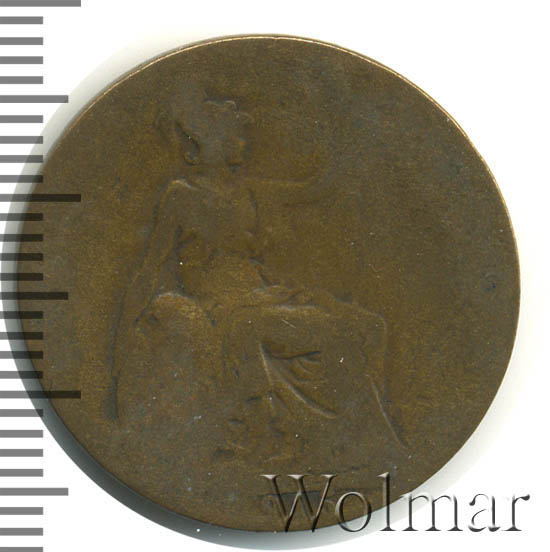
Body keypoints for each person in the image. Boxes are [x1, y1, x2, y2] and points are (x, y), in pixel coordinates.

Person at [110, 85, 403, 470]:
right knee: (317, 332)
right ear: (206, 144)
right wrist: (125, 331)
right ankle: (266, 431)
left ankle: (358, 434)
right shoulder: (181, 196)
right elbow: (150, 267)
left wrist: (346, 143)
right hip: (226, 308)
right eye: (234, 136)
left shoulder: (249, 191)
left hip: (267, 296)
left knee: (371, 327)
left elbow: (314, 190)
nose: (243, 144)